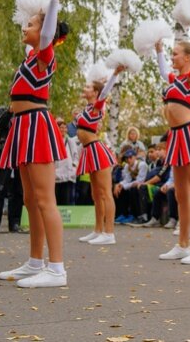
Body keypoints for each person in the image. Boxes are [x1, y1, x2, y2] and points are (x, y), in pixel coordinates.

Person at [0, 0, 69, 288]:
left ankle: (57, 269)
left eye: (31, 24)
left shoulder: (44, 54)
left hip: (37, 126)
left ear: (44, 32)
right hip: (21, 126)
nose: (24, 28)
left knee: (44, 199)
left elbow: (49, 31)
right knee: (29, 199)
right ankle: (35, 261)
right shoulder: (28, 59)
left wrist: (53, 0)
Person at [151, 21, 190, 264]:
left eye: (175, 53)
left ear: (188, 58)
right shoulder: (175, 80)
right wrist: (158, 50)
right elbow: (161, 70)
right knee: (181, 194)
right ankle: (183, 244)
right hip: (176, 137)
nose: (172, 57)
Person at [74, 65, 125, 244]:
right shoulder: (87, 108)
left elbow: (105, 94)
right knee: (95, 194)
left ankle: (109, 233)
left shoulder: (97, 106)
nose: (85, 88)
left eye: (88, 87)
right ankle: (98, 230)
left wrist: (114, 75)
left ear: (95, 92)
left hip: (97, 150)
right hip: (88, 151)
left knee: (105, 192)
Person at [113, 150, 147, 223]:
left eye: (130, 157)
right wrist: (120, 185)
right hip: (133, 184)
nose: (128, 160)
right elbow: (127, 179)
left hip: (144, 184)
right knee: (119, 189)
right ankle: (122, 214)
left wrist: (123, 186)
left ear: (135, 157)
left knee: (133, 189)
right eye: (127, 158)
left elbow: (140, 180)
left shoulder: (142, 165)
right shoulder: (127, 166)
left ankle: (137, 215)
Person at [54, 119, 78, 206]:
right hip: (56, 172)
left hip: (68, 172)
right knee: (56, 196)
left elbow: (75, 155)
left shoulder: (70, 140)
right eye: (61, 128)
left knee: (66, 197)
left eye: (65, 128)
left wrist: (74, 166)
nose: (63, 130)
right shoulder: (54, 141)